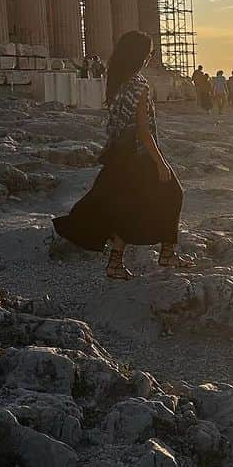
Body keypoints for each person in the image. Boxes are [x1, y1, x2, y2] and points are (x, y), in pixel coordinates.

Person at [53, 30, 188, 280]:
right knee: (174, 193)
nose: (150, 57)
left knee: (126, 208)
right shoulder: (139, 85)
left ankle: (116, 264)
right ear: (139, 55)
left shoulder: (119, 81)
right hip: (137, 155)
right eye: (149, 53)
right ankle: (167, 253)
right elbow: (143, 130)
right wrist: (160, 162)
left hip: (119, 154)